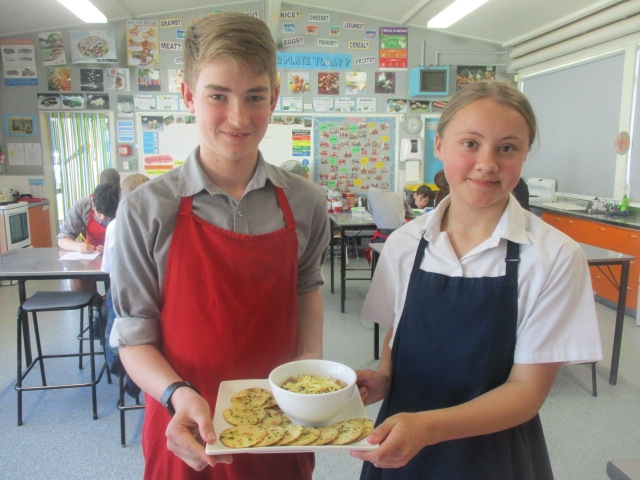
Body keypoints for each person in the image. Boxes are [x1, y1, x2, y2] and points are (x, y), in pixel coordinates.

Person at [110, 11, 330, 480]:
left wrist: (309, 359)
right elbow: (133, 337)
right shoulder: (147, 209)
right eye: (218, 96)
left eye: (254, 97)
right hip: (185, 425)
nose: (238, 117)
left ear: (274, 97)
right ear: (189, 95)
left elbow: (306, 287)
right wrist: (176, 394)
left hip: (281, 422)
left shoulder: (306, 201)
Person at [351, 81, 602, 479]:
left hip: (494, 455)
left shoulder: (553, 256)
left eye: (507, 148)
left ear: (524, 154)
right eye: (470, 143)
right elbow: (398, 328)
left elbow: (526, 391)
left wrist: (428, 427)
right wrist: (384, 377)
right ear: (439, 145)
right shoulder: (405, 243)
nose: (487, 163)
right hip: (400, 446)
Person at [101, 173, 149, 383]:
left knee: (109, 313)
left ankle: (120, 366)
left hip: (121, 295)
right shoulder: (159, 221)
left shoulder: (114, 225)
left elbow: (107, 268)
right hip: (150, 296)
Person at [57, 168, 120, 254]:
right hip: (91, 254)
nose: (103, 218)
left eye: (108, 214)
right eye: (99, 212)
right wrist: (79, 247)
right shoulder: (82, 206)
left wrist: (113, 249)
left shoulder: (125, 207)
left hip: (117, 255)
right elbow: (62, 239)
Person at [364, 187, 415, 263]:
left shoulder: (371, 194)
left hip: (384, 238)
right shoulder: (399, 197)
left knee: (374, 249)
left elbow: (369, 210)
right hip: (402, 238)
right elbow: (412, 216)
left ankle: (377, 267)